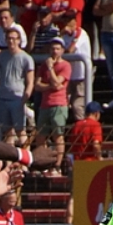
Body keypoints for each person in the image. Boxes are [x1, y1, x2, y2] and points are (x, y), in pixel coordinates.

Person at [0, 28, 34, 144]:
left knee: (21, 131)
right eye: (8, 38)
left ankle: (25, 160)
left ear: (18, 40)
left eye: (13, 38)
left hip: (17, 98)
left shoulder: (26, 58)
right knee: (7, 133)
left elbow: (30, 80)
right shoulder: (2, 56)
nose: (11, 41)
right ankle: (9, 161)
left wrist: (26, 95)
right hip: (3, 98)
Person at [34, 37, 70, 166]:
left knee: (58, 136)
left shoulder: (65, 65)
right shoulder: (43, 65)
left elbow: (57, 82)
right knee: (40, 136)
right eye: (52, 48)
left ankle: (58, 165)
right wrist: (50, 86)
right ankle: (43, 164)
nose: (54, 51)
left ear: (62, 51)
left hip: (59, 104)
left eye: (57, 49)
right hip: (45, 104)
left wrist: (50, 68)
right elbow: (37, 85)